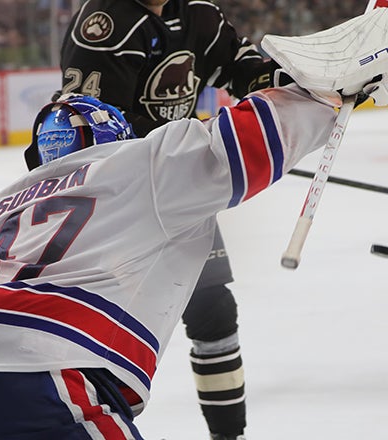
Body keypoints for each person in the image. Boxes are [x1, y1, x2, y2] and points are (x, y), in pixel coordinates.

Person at [0, 9, 388, 439]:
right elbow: (249, 140)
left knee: (214, 310)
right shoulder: (116, 77)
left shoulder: (6, 206)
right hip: (57, 371)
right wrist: (328, 93)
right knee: (209, 306)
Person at [56, 1, 279, 437]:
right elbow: (94, 129)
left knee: (213, 310)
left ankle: (228, 435)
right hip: (113, 198)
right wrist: (191, 140)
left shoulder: (198, 13)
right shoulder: (106, 22)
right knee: (99, 329)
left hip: (178, 191)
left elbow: (242, 67)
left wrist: (307, 86)